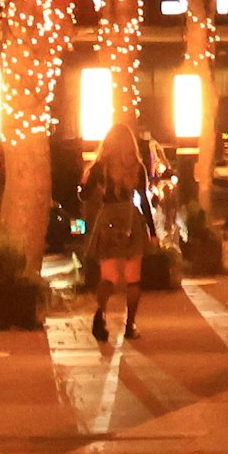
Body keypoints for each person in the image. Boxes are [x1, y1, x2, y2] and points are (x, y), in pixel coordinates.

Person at [77, 120, 160, 345]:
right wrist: (152, 232)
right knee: (133, 278)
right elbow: (143, 200)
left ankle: (100, 313)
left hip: (108, 219)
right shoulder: (137, 167)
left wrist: (83, 184)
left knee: (109, 276)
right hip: (131, 219)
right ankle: (130, 324)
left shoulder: (99, 166)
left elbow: (83, 196)